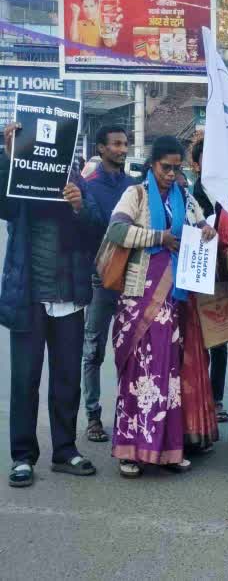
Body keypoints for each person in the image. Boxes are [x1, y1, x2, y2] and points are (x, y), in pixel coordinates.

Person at [105, 136, 215, 477]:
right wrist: (158, 238)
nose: (171, 173)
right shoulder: (135, 195)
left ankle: (168, 450)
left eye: (176, 167)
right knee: (138, 374)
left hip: (175, 299)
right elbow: (117, 230)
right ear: (153, 165)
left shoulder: (185, 197)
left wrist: (208, 230)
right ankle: (130, 451)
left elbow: (201, 227)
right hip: (139, 298)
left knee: (169, 374)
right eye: (165, 167)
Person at [2, 122, 102, 488]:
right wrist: (8, 157)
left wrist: (79, 208)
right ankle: (22, 457)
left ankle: (64, 450)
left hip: (70, 299)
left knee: (66, 380)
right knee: (24, 382)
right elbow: (4, 204)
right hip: (29, 297)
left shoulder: (77, 182)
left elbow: (97, 228)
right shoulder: (20, 177)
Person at [79, 125, 136, 443]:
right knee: (94, 349)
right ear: (101, 148)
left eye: (125, 143)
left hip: (132, 278)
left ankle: (129, 414)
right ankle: (93, 417)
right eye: (116, 144)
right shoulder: (88, 186)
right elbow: (87, 230)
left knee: (131, 349)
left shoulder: (134, 186)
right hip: (101, 279)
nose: (123, 149)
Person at [190, 137, 228, 426]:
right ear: (196, 165)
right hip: (201, 273)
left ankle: (225, 399)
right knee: (209, 341)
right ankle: (206, 400)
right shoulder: (190, 194)